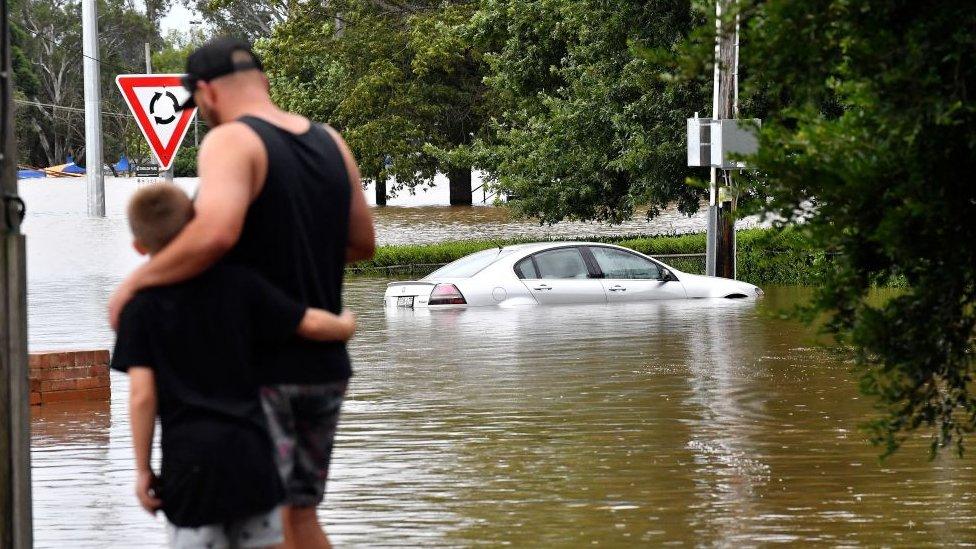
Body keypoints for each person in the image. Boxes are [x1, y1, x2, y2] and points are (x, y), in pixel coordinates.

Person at [109, 37, 376, 549]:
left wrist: (134, 284)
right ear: (264, 81)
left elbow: (216, 233)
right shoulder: (330, 141)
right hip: (325, 367)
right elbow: (362, 243)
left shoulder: (231, 140)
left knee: (271, 523)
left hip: (263, 372)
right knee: (301, 517)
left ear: (206, 92)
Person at [113, 183, 358, 548]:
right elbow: (307, 323)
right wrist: (345, 325)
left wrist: (142, 469)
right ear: (195, 225)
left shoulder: (141, 309)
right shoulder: (240, 285)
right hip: (253, 459)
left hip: (190, 469)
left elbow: (142, 396)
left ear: (138, 246)